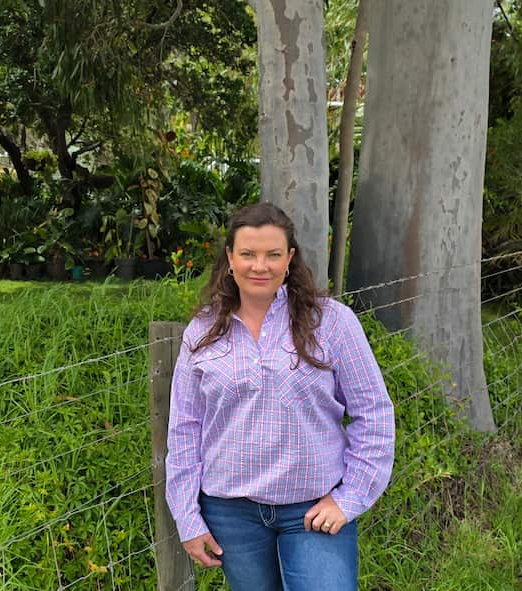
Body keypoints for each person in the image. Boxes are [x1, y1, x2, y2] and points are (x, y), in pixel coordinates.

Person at [165, 202, 395, 590]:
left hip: (314, 509)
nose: (260, 266)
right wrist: (188, 517)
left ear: (289, 258)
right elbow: (185, 430)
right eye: (248, 254)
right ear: (230, 258)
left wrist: (351, 496)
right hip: (231, 515)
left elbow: (373, 413)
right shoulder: (202, 332)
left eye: (273, 254)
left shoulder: (332, 322)